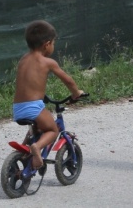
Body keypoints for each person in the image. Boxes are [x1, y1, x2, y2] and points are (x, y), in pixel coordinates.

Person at [13, 20, 84, 169]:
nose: (53, 46)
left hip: (18, 108)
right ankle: (37, 147)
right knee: (52, 129)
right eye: (53, 43)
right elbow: (69, 81)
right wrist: (76, 93)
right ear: (47, 44)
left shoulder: (23, 60)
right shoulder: (48, 62)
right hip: (33, 107)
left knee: (38, 127)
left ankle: (24, 148)